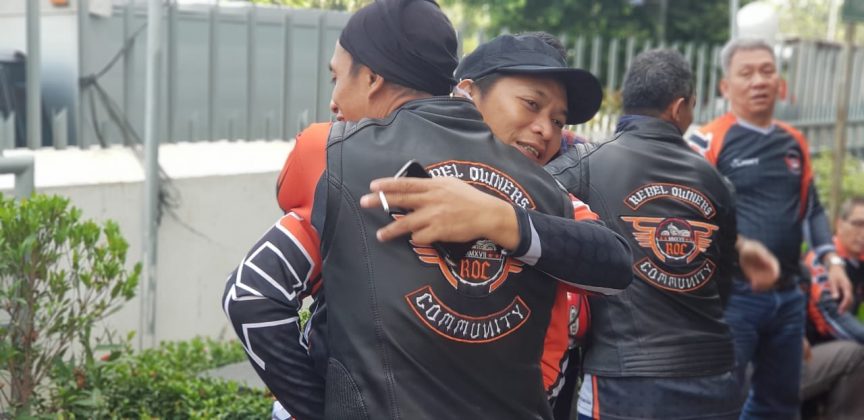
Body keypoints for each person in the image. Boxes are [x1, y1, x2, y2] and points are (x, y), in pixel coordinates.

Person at [223, 3, 632, 416]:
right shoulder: (349, 162)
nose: (545, 129)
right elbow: (254, 294)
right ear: (467, 92)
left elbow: (614, 261)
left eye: (559, 121)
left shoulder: (546, 195)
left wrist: (499, 218)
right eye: (530, 104)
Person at [545, 49, 776, 420]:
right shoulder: (716, 182)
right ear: (679, 107)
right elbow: (723, 282)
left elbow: (523, 204)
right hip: (715, 378)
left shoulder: (584, 165)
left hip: (624, 382)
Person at [688, 37, 853, 418]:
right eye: (746, 73)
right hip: (733, 297)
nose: (759, 81)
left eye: (767, 71)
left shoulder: (794, 141)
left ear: (780, 81)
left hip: (789, 297)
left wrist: (832, 261)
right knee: (718, 402)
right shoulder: (706, 141)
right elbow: (693, 216)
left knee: (780, 404)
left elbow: (811, 208)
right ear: (725, 86)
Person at [799, 196, 864, 419]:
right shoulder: (821, 260)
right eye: (858, 224)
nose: (863, 233)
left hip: (827, 353)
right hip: (798, 357)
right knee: (857, 353)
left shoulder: (859, 262)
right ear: (839, 223)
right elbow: (831, 318)